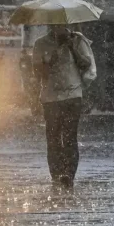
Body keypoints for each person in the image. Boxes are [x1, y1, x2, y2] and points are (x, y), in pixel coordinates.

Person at [32, 25, 94, 189]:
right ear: (50, 27)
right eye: (56, 25)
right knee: (53, 138)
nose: (59, 28)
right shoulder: (40, 44)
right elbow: (38, 74)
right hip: (51, 98)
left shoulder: (77, 41)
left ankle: (68, 175)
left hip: (72, 96)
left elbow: (86, 65)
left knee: (69, 137)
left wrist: (72, 48)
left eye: (63, 24)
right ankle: (56, 174)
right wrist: (51, 60)